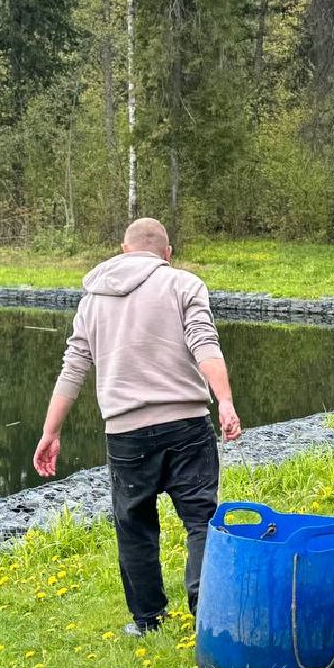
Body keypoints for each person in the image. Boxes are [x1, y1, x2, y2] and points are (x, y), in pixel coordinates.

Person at [33, 218, 242, 637]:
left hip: (126, 432)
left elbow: (73, 369)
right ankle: (205, 605)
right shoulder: (183, 284)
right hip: (186, 423)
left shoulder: (93, 298)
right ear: (167, 253)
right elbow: (205, 343)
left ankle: (148, 620)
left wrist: (50, 431)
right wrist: (225, 402)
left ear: (124, 250)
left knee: (134, 525)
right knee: (201, 518)